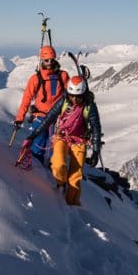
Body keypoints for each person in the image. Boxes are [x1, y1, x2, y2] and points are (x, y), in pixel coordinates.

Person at [25, 75, 101, 206]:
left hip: (79, 141)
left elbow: (95, 128)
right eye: (72, 95)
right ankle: (61, 183)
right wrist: (33, 135)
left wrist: (95, 151)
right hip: (62, 136)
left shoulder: (89, 106)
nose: (75, 99)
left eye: (78, 96)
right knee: (58, 163)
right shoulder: (63, 101)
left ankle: (72, 204)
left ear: (83, 94)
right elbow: (48, 119)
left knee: (75, 177)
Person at [15, 46, 69, 166]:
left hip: (57, 119)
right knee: (38, 146)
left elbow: (70, 96)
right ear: (42, 60)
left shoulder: (63, 76)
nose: (49, 62)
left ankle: (53, 172)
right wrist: (19, 118)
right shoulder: (35, 79)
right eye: (46, 60)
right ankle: (37, 170)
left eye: (51, 59)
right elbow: (26, 99)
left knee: (55, 149)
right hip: (40, 117)